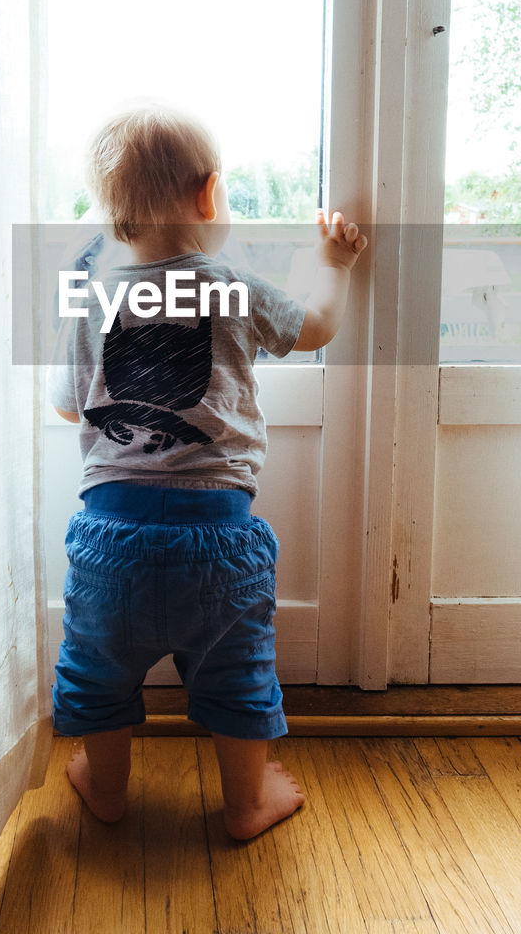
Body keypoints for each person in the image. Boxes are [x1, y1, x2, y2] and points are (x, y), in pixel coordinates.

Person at [48, 106, 367, 840]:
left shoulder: (91, 296)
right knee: (237, 677)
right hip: (219, 544)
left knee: (97, 673)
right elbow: (315, 326)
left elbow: (70, 410)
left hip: (108, 544)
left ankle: (105, 786)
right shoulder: (232, 286)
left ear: (113, 215)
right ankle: (247, 804)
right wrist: (335, 264)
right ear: (210, 194)